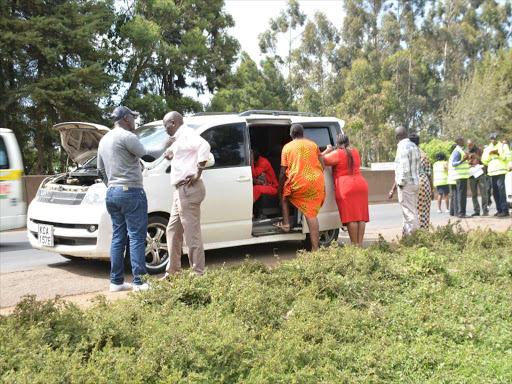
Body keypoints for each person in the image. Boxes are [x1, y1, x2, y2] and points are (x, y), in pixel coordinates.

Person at [97, 106, 171, 292]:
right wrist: (165, 146)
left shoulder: (104, 139)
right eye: (134, 118)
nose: (135, 121)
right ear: (127, 118)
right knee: (137, 237)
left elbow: (100, 170)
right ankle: (140, 282)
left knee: (118, 237)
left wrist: (113, 186)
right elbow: (146, 155)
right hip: (131, 192)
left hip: (112, 193)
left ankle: (116, 282)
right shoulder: (127, 137)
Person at [161, 111, 212, 278]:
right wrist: (169, 152)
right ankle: (174, 272)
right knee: (172, 231)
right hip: (180, 190)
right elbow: (180, 156)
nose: (165, 128)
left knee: (192, 234)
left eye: (165, 125)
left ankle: (198, 274)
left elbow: (205, 147)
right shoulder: (179, 138)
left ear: (173, 122)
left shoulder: (187, 134)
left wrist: (198, 172)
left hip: (189, 189)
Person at [275, 123, 326, 251]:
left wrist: (279, 189)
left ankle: (286, 223)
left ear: (291, 134)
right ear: (303, 134)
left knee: (285, 195)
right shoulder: (313, 144)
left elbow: (282, 173)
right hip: (316, 181)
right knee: (311, 214)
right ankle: (315, 248)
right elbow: (323, 165)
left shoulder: (287, 148)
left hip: (299, 182)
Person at [322, 133, 369, 247]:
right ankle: (359, 244)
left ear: (337, 144)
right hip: (361, 184)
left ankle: (354, 245)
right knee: (360, 217)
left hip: (346, 186)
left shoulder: (336, 153)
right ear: (348, 142)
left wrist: (328, 150)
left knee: (351, 217)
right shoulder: (355, 152)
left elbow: (321, 159)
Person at [388, 126, 421, 236]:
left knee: (409, 213)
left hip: (407, 184)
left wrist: (401, 183)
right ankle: (407, 237)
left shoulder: (402, 147)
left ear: (397, 136)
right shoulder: (414, 146)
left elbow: (405, 169)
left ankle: (415, 239)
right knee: (411, 211)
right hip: (416, 182)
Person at [482, 132, 510, 217]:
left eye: (495, 138)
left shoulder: (503, 146)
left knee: (501, 191)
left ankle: (505, 210)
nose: (494, 140)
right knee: (495, 192)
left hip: (501, 171)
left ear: (497, 138)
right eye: (492, 138)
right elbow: (484, 160)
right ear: (490, 139)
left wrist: (499, 154)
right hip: (492, 172)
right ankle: (499, 209)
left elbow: (508, 157)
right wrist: (490, 155)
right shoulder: (487, 148)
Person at [409, 134, 433, 228]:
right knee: (424, 211)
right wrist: (432, 189)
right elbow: (428, 173)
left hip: (411, 183)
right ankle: (424, 233)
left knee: (411, 211)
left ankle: (412, 234)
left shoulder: (408, 154)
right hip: (424, 183)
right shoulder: (423, 154)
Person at [251, 147, 278, 220]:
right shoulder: (257, 162)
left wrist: (251, 160)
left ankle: (247, 211)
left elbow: (254, 174)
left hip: (273, 187)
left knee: (256, 189)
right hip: (265, 184)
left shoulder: (263, 162)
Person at [448, 136, 471, 218]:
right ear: (459, 141)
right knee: (461, 195)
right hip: (460, 176)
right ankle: (461, 213)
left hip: (463, 176)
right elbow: (454, 164)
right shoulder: (457, 151)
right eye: (462, 140)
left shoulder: (461, 150)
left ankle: (461, 212)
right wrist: (462, 160)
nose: (464, 140)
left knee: (462, 195)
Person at [467, 139, 488, 216]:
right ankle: (477, 211)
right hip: (472, 174)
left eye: (471, 145)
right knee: (474, 194)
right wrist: (470, 161)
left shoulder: (479, 150)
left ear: (473, 144)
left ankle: (485, 211)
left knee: (483, 193)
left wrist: (477, 157)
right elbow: (466, 164)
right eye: (468, 145)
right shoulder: (466, 152)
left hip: (480, 173)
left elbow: (484, 161)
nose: (470, 146)